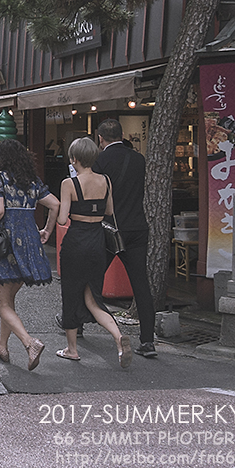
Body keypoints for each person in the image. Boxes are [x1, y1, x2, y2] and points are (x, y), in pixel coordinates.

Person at [56, 137, 133, 367]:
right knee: (93, 298)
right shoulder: (106, 181)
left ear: (74, 159)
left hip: (76, 241)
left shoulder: (69, 184)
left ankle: (72, 349)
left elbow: (62, 219)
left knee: (71, 294)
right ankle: (119, 338)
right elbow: (109, 210)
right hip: (97, 241)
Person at [0, 140, 59, 371]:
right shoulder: (32, 182)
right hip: (30, 244)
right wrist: (47, 230)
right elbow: (55, 204)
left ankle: (29, 343)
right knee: (8, 299)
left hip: (6, 244)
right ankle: (2, 347)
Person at [93, 119, 157, 358]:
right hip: (137, 227)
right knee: (140, 283)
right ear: (121, 135)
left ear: (101, 138)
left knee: (93, 276)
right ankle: (148, 340)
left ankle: (76, 322)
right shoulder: (139, 159)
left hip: (110, 228)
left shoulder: (100, 161)